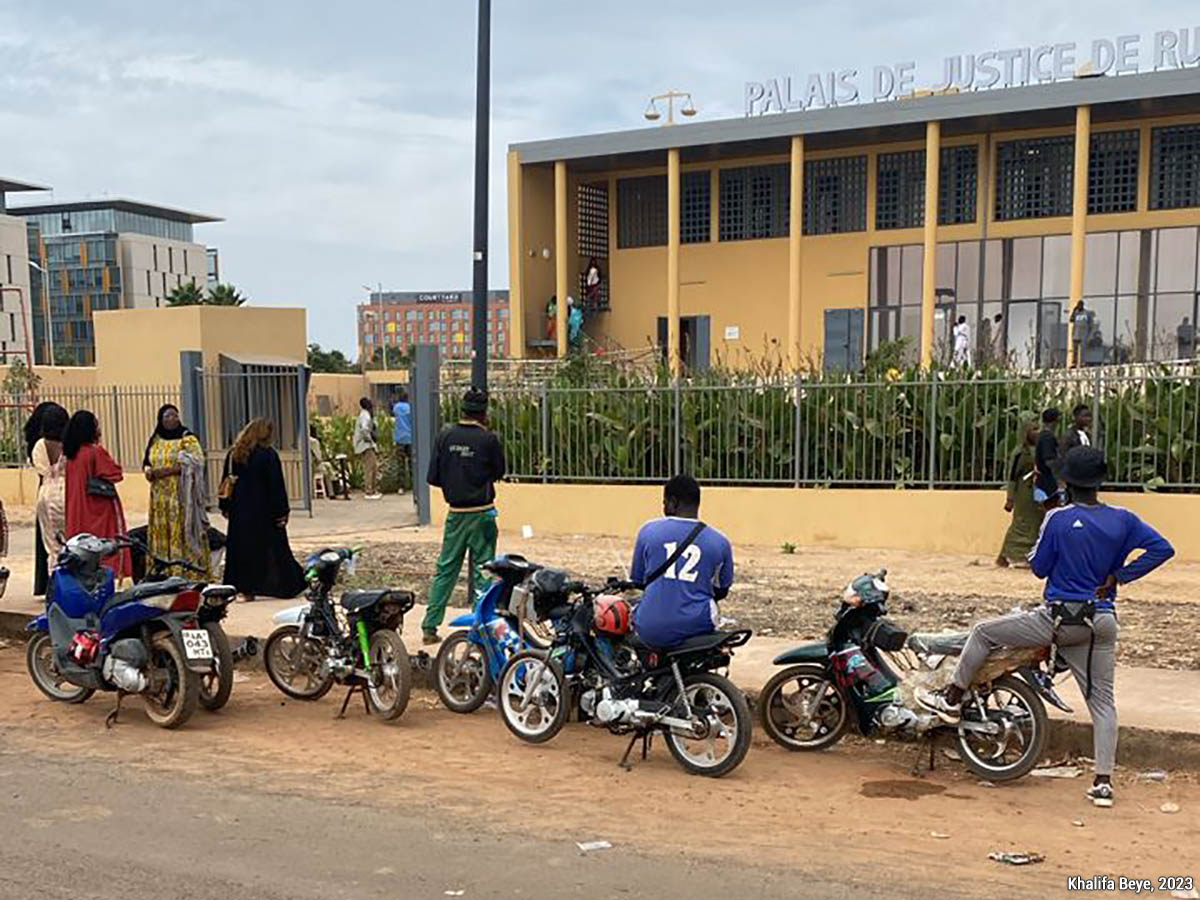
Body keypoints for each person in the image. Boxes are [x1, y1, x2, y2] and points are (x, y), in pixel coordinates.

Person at [918, 447, 1174, 808]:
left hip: (1058, 620)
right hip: (1103, 620)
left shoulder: (1057, 519)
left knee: (983, 632)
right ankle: (1103, 782)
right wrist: (1119, 576)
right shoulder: (1124, 519)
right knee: (1102, 702)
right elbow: (1163, 549)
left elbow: (1038, 567)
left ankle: (952, 698)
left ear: (1066, 481)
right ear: (1101, 482)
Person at [423, 387, 506, 645]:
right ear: (484, 412)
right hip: (482, 514)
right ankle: (479, 627)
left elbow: (433, 477)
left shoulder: (445, 436)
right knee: (485, 571)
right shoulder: (488, 439)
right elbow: (499, 472)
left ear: (462, 409)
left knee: (446, 569)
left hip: (456, 515)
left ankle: (429, 626)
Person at [631, 475, 734, 648]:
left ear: (673, 502)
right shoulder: (720, 541)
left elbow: (639, 581)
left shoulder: (648, 531)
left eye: (664, 502)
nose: (664, 507)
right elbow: (722, 590)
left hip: (651, 626)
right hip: (698, 624)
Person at [220, 418, 306, 602]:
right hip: (263, 511)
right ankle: (288, 585)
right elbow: (276, 485)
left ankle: (245, 589)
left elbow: (225, 481)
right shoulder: (268, 455)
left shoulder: (234, 454)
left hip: (240, 511)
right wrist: (282, 511)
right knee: (275, 548)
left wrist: (226, 507)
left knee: (242, 551)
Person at [143, 404, 210, 578]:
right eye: (167, 416)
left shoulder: (186, 438)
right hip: (159, 497)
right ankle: (163, 570)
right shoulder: (155, 438)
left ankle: (186, 570)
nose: (172, 419)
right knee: (163, 531)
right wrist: (149, 471)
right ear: (160, 419)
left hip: (180, 495)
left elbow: (198, 461)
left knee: (181, 529)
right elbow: (146, 461)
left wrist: (167, 471)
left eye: (174, 415)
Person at [63, 410, 131, 580]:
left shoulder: (71, 455)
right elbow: (115, 473)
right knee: (106, 543)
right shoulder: (95, 452)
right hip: (98, 508)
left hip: (76, 508)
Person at [25, 402, 69, 595]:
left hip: (45, 494)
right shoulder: (68, 445)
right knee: (68, 542)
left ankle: (53, 586)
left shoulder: (40, 445)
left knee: (51, 544)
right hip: (65, 493)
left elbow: (41, 471)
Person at [996, 421, 1044, 568]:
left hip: (1038, 490)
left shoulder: (1040, 450)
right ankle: (1005, 555)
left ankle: (1030, 555)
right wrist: (1010, 498)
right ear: (1026, 433)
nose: (1038, 432)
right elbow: (1012, 477)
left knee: (1038, 521)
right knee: (1021, 522)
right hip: (1024, 492)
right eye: (1033, 430)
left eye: (1038, 429)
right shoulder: (1019, 452)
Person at [1033, 407, 1062, 511]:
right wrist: (1059, 479)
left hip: (1043, 481)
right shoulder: (1047, 437)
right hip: (1047, 482)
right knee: (1051, 510)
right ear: (1055, 421)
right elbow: (1049, 460)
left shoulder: (1042, 435)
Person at [353, 397, 381, 500]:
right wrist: (370, 439)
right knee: (370, 468)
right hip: (366, 445)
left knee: (373, 467)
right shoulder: (365, 415)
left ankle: (372, 489)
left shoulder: (366, 414)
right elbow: (365, 429)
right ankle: (369, 491)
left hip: (367, 445)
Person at [391, 387, 413, 493]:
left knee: (400, 463)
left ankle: (401, 487)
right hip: (410, 438)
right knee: (412, 462)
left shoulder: (396, 407)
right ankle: (414, 484)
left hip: (399, 438)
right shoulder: (411, 408)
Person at [309, 424, 336, 498]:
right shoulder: (314, 441)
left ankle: (332, 487)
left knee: (328, 466)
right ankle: (331, 492)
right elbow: (318, 457)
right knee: (327, 471)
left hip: (310, 464)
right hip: (314, 465)